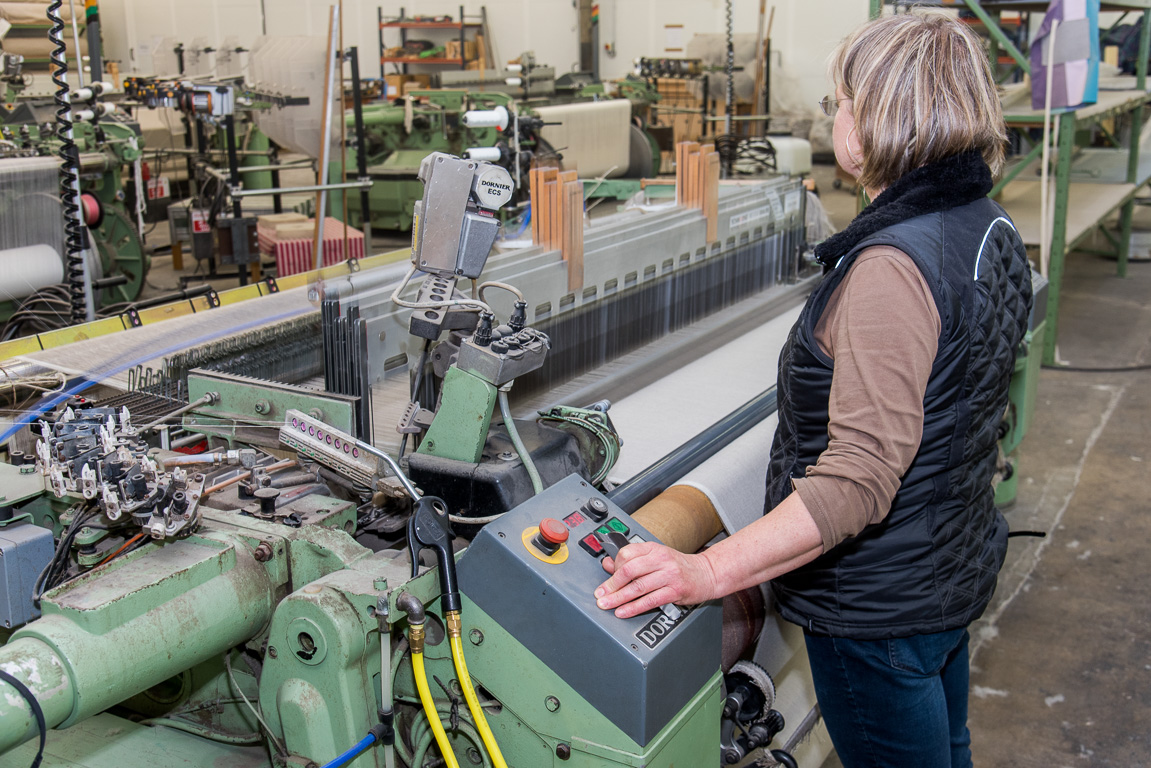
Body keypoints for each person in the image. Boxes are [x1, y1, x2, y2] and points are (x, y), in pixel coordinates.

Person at [594, 12, 1033, 768]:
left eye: (840, 101)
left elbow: (858, 480)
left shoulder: (892, 267)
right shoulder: (982, 222)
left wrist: (705, 570)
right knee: (948, 749)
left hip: (876, 613)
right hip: (947, 569)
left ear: (884, 115)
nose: (834, 117)